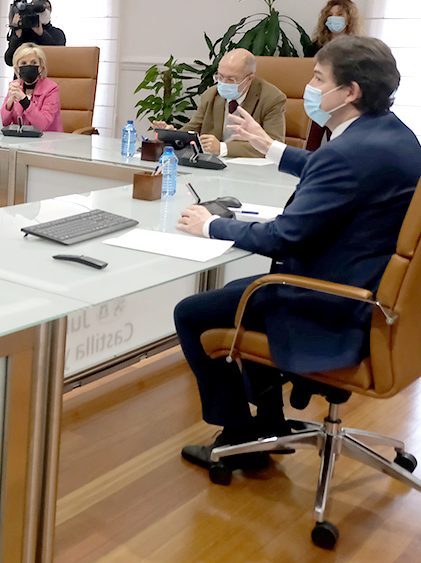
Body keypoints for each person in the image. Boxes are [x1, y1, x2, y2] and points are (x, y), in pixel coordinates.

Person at [172, 35, 421, 474]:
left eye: (318, 77)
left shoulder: (346, 150)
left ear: (350, 92)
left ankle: (239, 435)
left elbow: (284, 238)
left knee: (193, 311)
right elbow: (341, 173)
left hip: (331, 302)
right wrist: (271, 147)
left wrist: (210, 225)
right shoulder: (394, 136)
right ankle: (270, 422)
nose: (309, 85)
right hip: (374, 291)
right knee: (240, 292)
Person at [152, 48, 286, 157]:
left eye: (231, 79)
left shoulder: (272, 98)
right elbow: (192, 129)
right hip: (214, 168)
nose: (224, 83)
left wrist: (223, 148)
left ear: (250, 79)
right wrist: (172, 135)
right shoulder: (211, 95)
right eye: (220, 77)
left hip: (253, 173)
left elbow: (274, 145)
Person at [1, 43, 63, 132]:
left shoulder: (51, 88)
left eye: (34, 63)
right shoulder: (14, 86)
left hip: (48, 141)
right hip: (20, 142)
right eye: (23, 63)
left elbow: (42, 125)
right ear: (17, 68)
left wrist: (23, 99)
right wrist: (9, 101)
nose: (28, 66)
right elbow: (3, 122)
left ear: (41, 67)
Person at [3, 0, 66, 65]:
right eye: (42, 9)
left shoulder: (57, 33)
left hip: (48, 73)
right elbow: (9, 60)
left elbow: (58, 58)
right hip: (24, 74)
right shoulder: (24, 33)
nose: (45, 11)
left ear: (50, 10)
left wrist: (41, 34)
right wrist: (17, 36)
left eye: (47, 8)